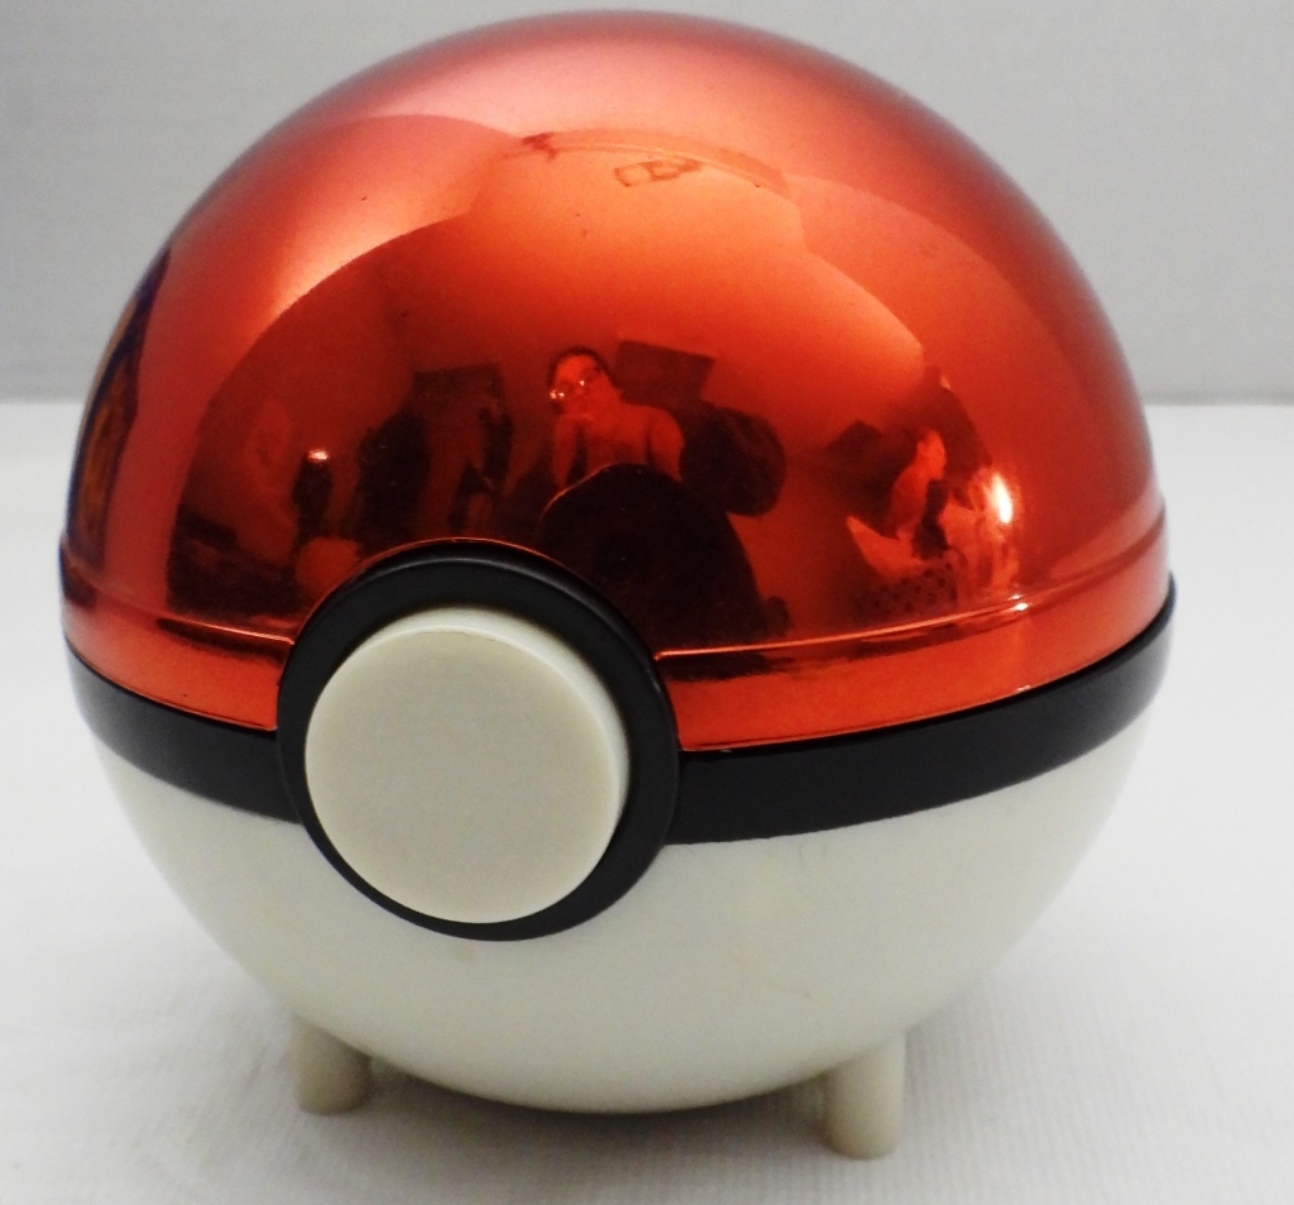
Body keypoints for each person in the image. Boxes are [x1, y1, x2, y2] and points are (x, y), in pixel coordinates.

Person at [547, 348, 685, 488]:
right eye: (567, 390)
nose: (579, 392)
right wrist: (564, 448)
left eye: (589, 378)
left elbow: (672, 490)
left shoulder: (652, 420)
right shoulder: (569, 442)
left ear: (612, 383)